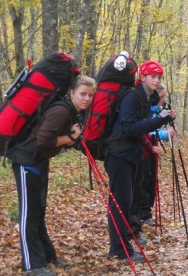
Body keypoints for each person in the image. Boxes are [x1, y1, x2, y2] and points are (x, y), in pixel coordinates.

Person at [9, 75, 96, 276]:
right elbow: (43, 140)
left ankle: (47, 256)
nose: (87, 99)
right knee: (29, 213)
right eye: (83, 94)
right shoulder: (60, 111)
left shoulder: (73, 111)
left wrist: (72, 139)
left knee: (38, 210)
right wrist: (70, 137)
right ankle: (32, 265)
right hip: (26, 160)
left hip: (38, 161)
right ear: (71, 93)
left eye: (90, 95)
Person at [104, 60, 175, 262]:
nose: (157, 80)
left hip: (130, 154)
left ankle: (123, 244)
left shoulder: (146, 97)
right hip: (119, 155)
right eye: (153, 76)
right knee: (120, 203)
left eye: (159, 77)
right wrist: (160, 120)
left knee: (127, 202)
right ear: (142, 77)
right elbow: (129, 127)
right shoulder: (132, 97)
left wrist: (160, 120)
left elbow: (138, 128)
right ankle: (119, 250)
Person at [137, 85, 175, 227]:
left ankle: (146, 213)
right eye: (162, 96)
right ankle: (143, 214)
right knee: (144, 183)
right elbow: (145, 129)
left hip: (151, 151)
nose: (164, 99)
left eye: (165, 97)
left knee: (150, 182)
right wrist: (166, 135)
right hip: (144, 151)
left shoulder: (158, 110)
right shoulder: (147, 110)